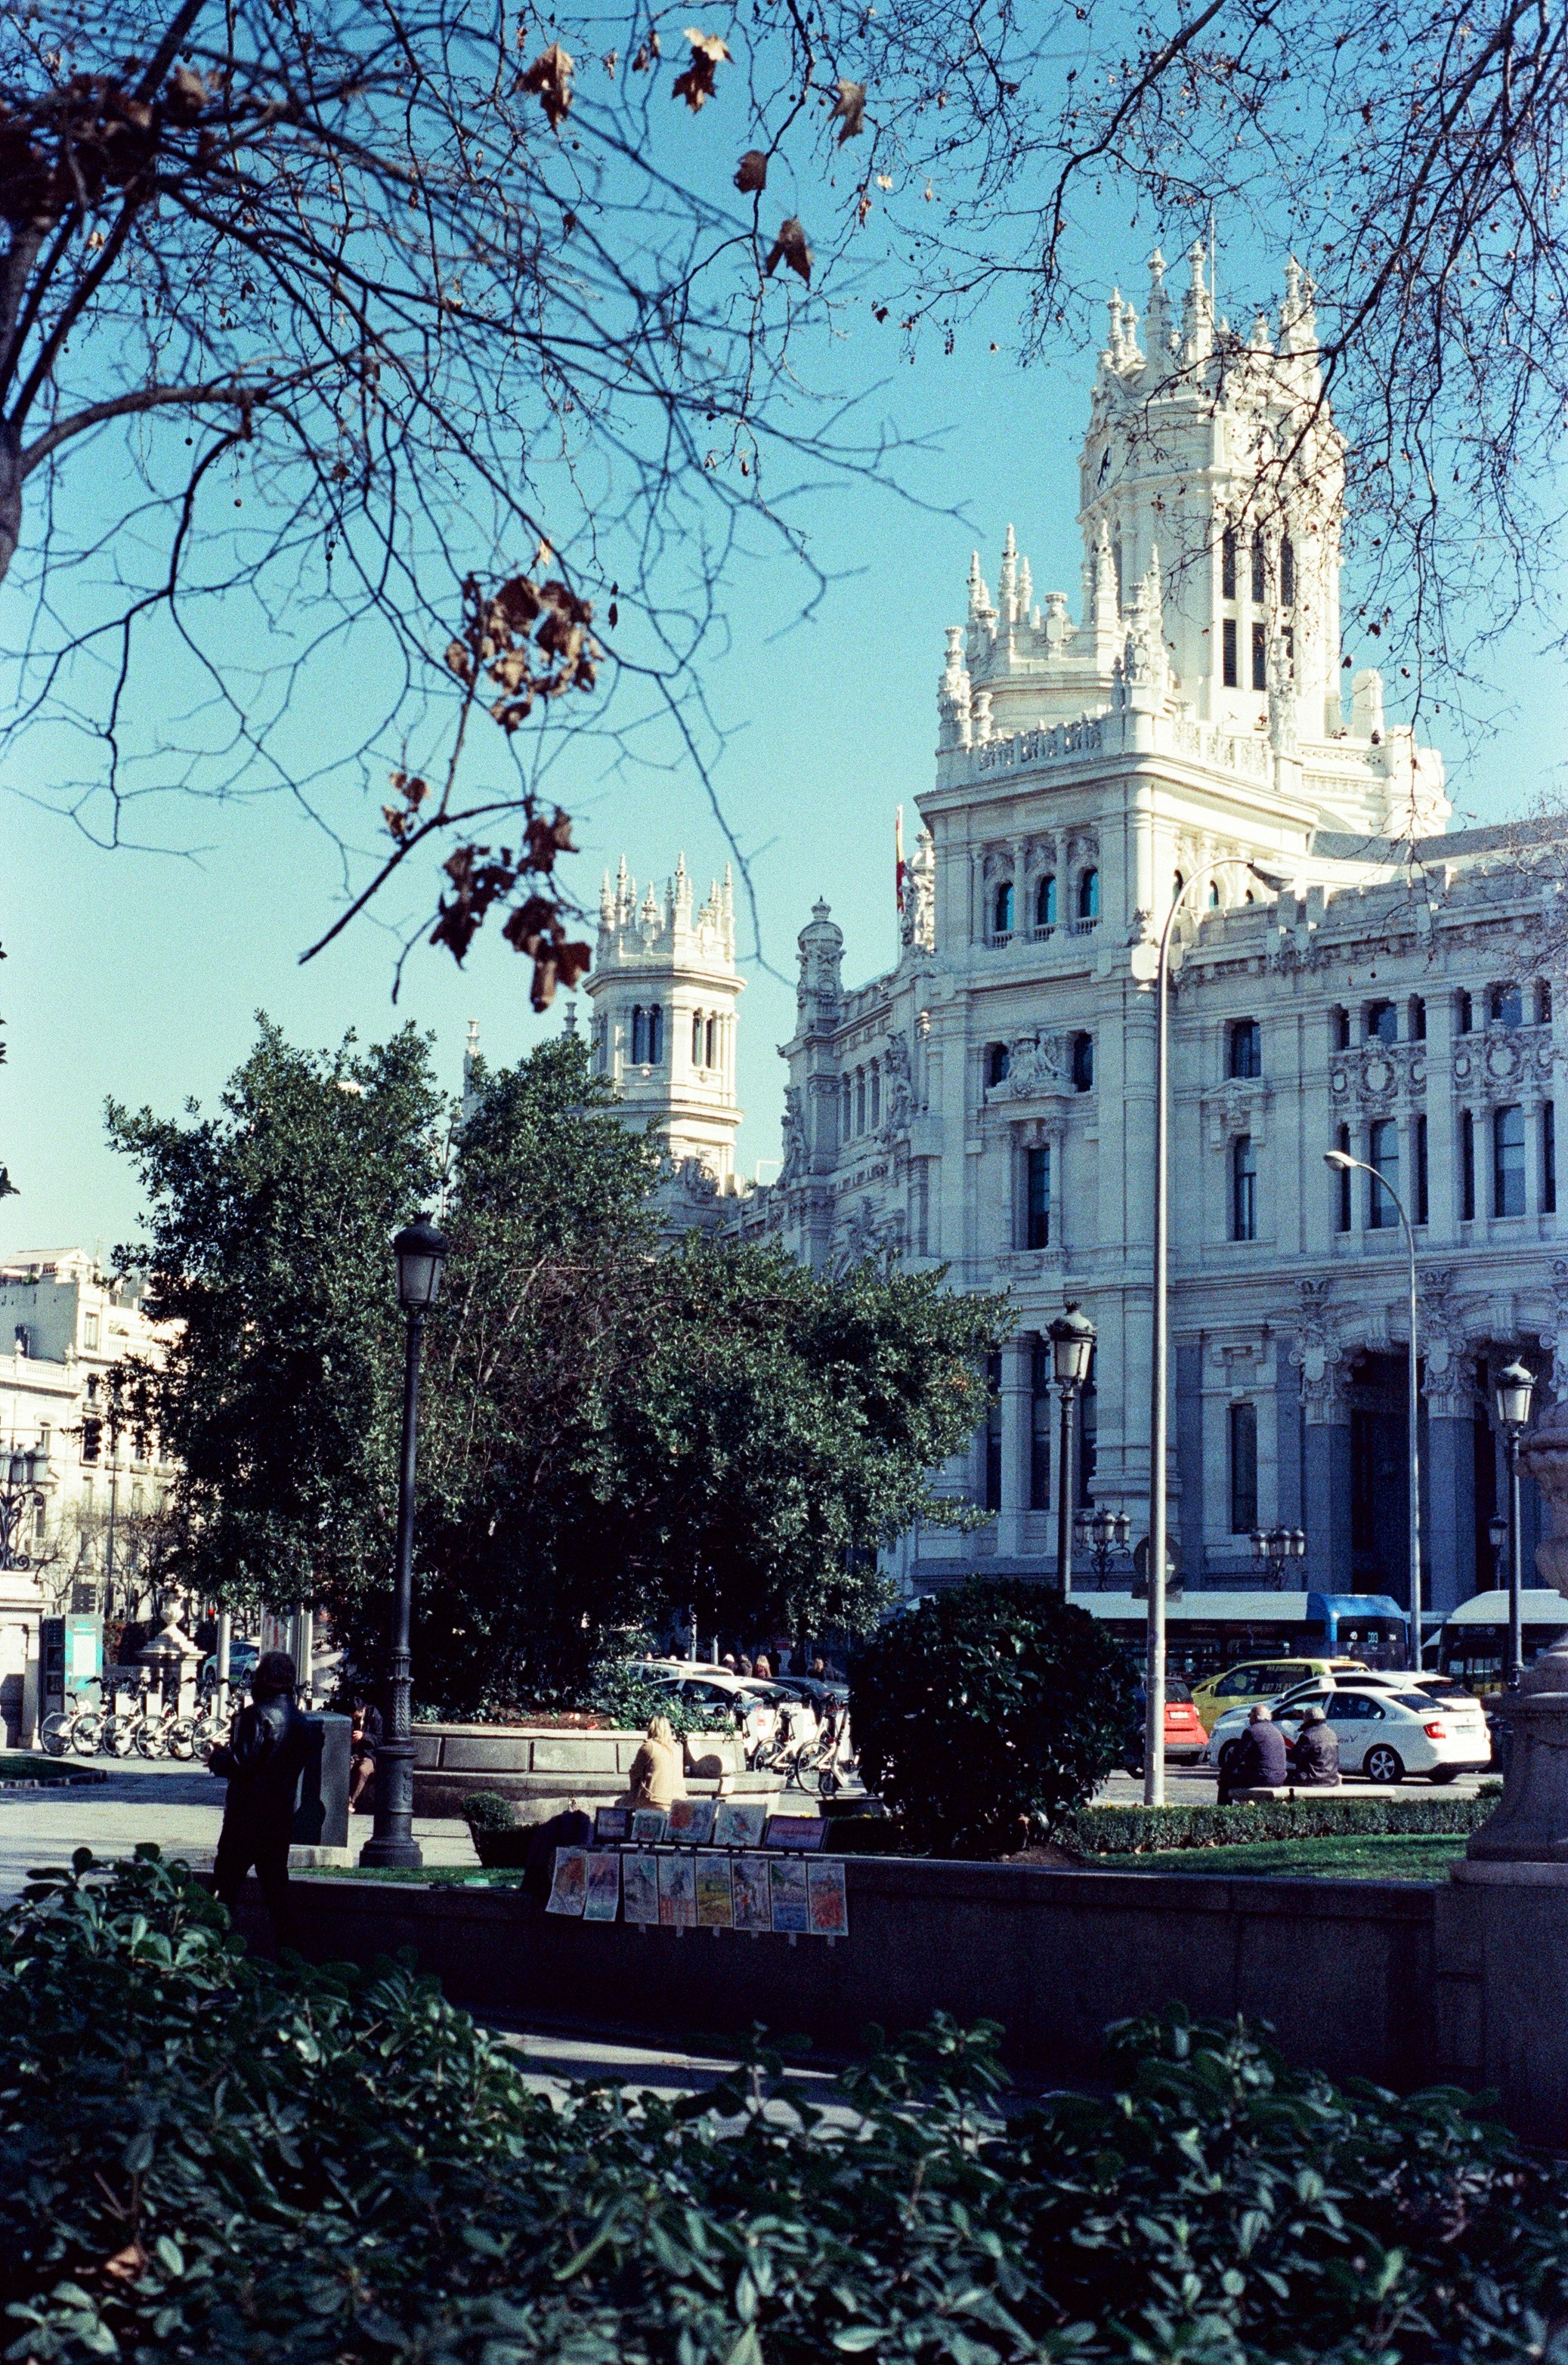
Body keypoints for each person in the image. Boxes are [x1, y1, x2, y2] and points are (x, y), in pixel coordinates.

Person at [209, 1649, 312, 1946]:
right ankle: (290, 1954)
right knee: (277, 1891)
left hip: (246, 1817)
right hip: (278, 1816)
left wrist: (217, 1759)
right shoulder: (300, 1721)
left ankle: (210, 1950)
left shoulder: (258, 1715)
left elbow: (241, 1765)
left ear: (264, 1679)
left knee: (224, 1889)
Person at [1217, 1703, 1288, 1805]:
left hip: (1261, 1778)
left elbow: (1237, 1757)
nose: (1249, 1718)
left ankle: (1222, 1815)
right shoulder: (1276, 1731)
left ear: (1255, 1717)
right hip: (1279, 1778)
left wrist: (1223, 1774)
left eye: (1249, 1715)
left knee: (1225, 1781)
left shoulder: (1251, 1731)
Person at [624, 1714, 686, 1810]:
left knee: (621, 1804)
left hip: (656, 1800)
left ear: (651, 1728)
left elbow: (635, 1773)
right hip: (679, 1800)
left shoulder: (650, 1747)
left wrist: (632, 1794)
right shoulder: (677, 1748)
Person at [348, 1693, 382, 1813]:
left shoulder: (374, 1716)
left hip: (369, 1755)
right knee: (342, 1768)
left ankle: (351, 1802)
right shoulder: (351, 1718)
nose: (354, 1719)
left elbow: (380, 1740)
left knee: (363, 1770)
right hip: (353, 1754)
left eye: (356, 1717)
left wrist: (364, 1736)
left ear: (363, 1710)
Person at [1291, 1705, 1341, 1787]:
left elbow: (1294, 1757)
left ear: (1307, 1719)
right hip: (1332, 1779)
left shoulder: (1307, 1735)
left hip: (1312, 1780)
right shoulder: (1331, 1733)